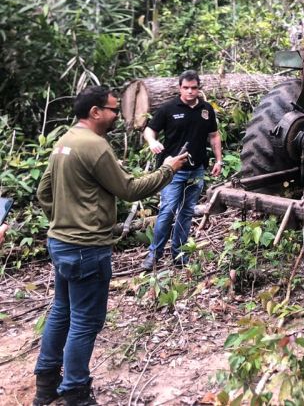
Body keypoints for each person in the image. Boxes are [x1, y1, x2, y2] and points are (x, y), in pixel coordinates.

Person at [34, 85, 187, 406]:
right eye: (114, 110)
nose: (118, 115)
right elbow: (129, 189)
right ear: (95, 112)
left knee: (61, 311)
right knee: (85, 321)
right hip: (86, 248)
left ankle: (46, 385)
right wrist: (167, 170)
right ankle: (75, 392)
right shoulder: (95, 146)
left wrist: (64, 217)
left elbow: (43, 193)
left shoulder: (64, 141)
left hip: (60, 242)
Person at [140, 70, 222, 270]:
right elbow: (150, 130)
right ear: (180, 88)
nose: (190, 92)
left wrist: (219, 160)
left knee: (186, 213)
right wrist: (152, 142)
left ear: (199, 88)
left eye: (194, 88)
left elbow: (214, 135)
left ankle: (180, 255)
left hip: (197, 170)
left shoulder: (206, 109)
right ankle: (154, 255)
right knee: (167, 212)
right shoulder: (168, 108)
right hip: (172, 170)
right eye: (186, 88)